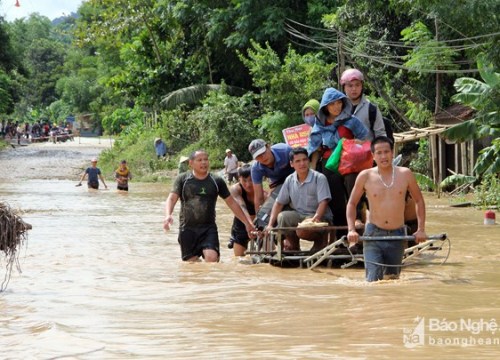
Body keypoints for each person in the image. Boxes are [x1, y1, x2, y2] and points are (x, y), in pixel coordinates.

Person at [346, 136, 427, 282]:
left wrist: (421, 229)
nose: (383, 156)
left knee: (392, 280)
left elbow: (419, 201)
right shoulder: (365, 176)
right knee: (373, 281)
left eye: (386, 152)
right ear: (373, 156)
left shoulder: (405, 174)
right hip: (373, 234)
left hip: (397, 235)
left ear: (392, 152)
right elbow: (351, 203)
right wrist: (351, 230)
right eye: (379, 153)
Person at [163, 150, 256, 262]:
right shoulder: (183, 180)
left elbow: (231, 202)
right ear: (191, 163)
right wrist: (168, 215)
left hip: (208, 228)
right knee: (191, 264)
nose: (204, 162)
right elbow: (172, 198)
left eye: (206, 159)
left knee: (212, 258)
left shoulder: (216, 181)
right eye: (200, 160)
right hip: (187, 228)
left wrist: (246, 223)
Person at [307, 87, 369, 234]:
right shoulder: (319, 125)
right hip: (329, 164)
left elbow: (365, 139)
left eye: (339, 103)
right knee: (336, 199)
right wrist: (313, 171)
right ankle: (341, 234)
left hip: (350, 162)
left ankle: (357, 220)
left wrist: (352, 143)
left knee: (353, 187)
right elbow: (315, 148)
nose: (336, 107)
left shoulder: (352, 121)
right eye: (332, 104)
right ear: (325, 107)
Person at [265, 147, 333, 252]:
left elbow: (323, 202)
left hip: (319, 217)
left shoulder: (319, 178)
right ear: (292, 164)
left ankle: (320, 242)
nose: (302, 163)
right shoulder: (289, 179)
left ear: (309, 161)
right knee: (283, 216)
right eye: (298, 161)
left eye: (305, 160)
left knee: (302, 230)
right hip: (299, 215)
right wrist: (270, 225)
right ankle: (294, 246)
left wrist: (316, 218)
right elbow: (279, 203)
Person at [227, 164, 264, 256]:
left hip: (259, 225)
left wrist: (258, 226)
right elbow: (242, 206)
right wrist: (249, 225)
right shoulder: (235, 189)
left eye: (251, 180)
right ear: (239, 179)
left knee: (268, 254)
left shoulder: (263, 192)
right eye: (244, 180)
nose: (248, 184)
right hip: (242, 224)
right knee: (239, 259)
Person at [340, 68, 386, 141]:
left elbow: (380, 135)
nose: (354, 89)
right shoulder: (337, 108)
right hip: (342, 151)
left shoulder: (371, 109)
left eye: (357, 85)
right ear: (344, 87)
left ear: (362, 86)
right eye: (350, 86)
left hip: (367, 151)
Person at [248, 139, 294, 212]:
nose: (262, 157)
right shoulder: (256, 168)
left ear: (268, 146)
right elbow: (258, 197)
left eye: (263, 153)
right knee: (270, 207)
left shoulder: (285, 150)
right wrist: (259, 217)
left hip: (297, 179)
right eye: (258, 156)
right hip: (278, 186)